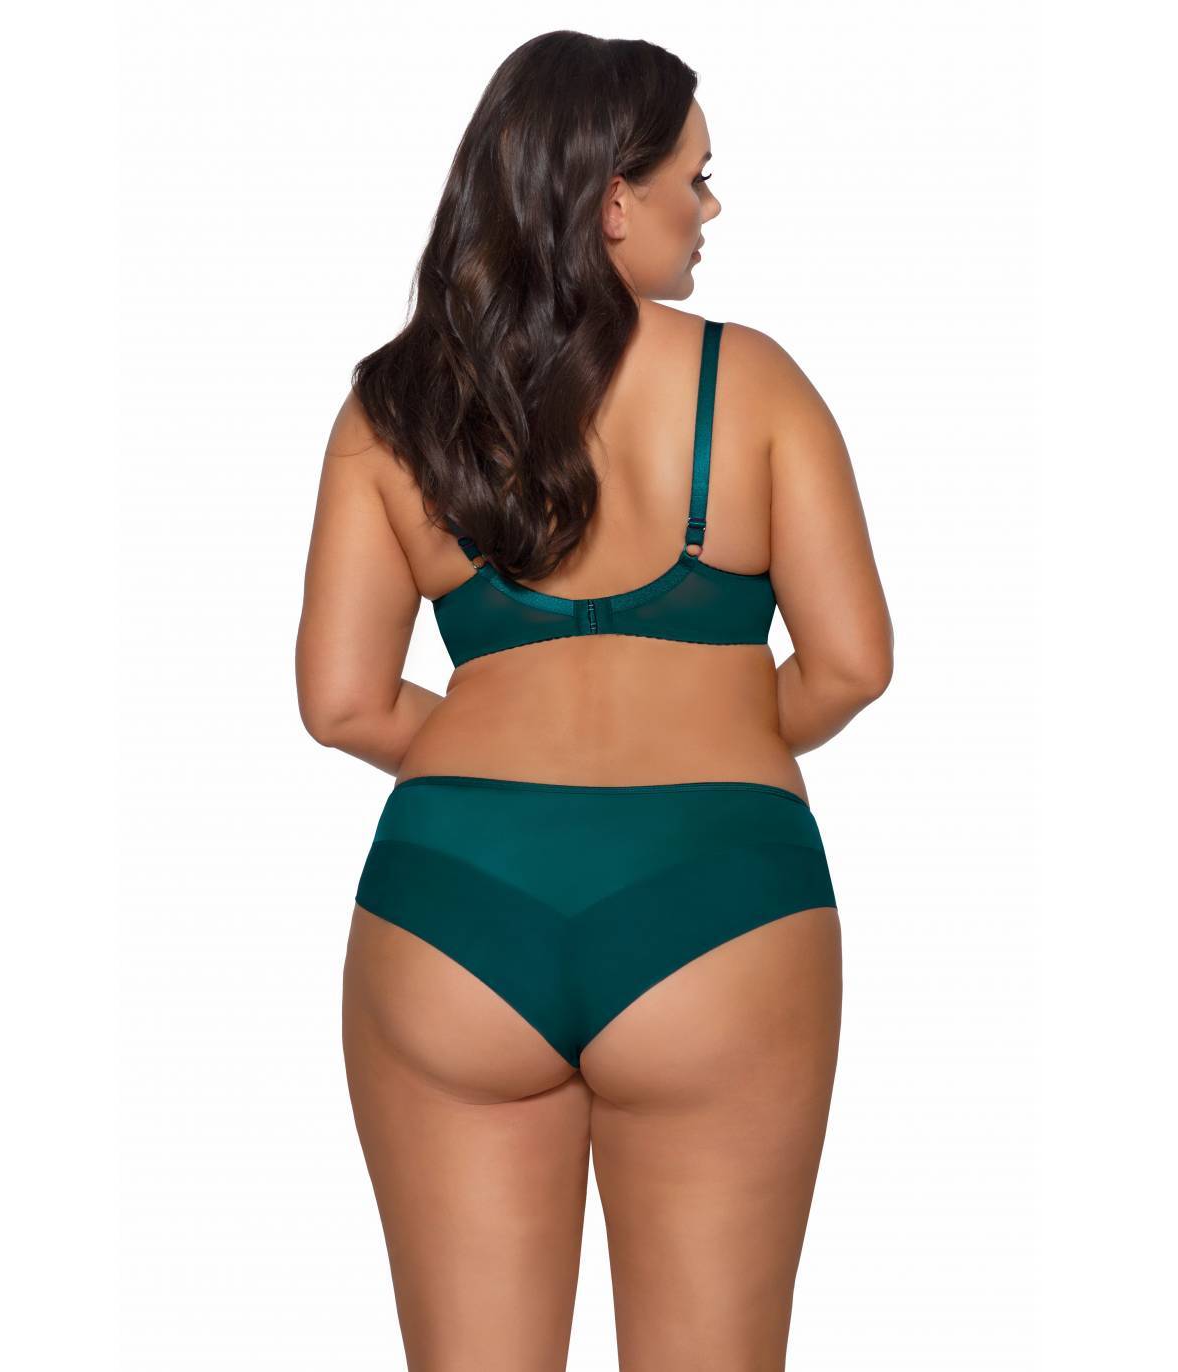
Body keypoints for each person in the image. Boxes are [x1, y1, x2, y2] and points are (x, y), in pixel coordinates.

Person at [296, 30, 893, 1372]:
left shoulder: (395, 406)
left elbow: (340, 701)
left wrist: (490, 752)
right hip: (718, 904)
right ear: (613, 199)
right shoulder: (753, 383)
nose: (710, 209)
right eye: (696, 178)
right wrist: (720, 732)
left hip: (453, 908)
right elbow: (854, 661)